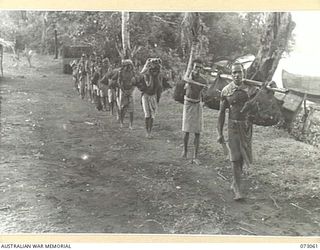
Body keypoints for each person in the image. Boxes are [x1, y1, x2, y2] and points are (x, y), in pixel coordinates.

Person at [217, 62, 257, 201]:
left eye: (239, 72)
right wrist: (219, 132)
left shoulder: (250, 89)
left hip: (246, 127)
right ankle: (238, 190)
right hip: (233, 127)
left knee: (242, 157)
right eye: (234, 72)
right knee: (234, 157)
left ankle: (235, 182)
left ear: (243, 73)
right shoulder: (226, 91)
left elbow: (258, 108)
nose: (236, 75)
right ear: (231, 74)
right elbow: (222, 113)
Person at [181, 58, 207, 165]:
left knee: (197, 131)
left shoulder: (203, 80)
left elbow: (205, 91)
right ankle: (185, 151)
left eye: (200, 68)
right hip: (188, 103)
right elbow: (185, 79)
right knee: (186, 130)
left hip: (197, 104)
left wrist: (204, 100)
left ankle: (195, 155)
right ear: (193, 67)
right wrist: (191, 79)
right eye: (196, 67)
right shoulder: (188, 75)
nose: (198, 69)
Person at [138, 58, 163, 138]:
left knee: (152, 115)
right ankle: (147, 132)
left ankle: (149, 131)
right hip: (146, 95)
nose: (154, 69)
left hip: (153, 96)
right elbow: (141, 74)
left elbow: (159, 88)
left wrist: (158, 99)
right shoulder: (147, 73)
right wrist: (147, 63)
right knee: (147, 114)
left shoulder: (158, 75)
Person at [115, 59, 136, 129]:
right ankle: (121, 122)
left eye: (130, 66)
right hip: (123, 91)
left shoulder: (133, 72)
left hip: (130, 91)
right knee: (122, 107)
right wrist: (124, 91)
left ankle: (131, 124)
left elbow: (134, 83)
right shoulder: (120, 72)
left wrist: (131, 90)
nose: (128, 67)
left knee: (131, 109)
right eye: (127, 66)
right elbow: (119, 82)